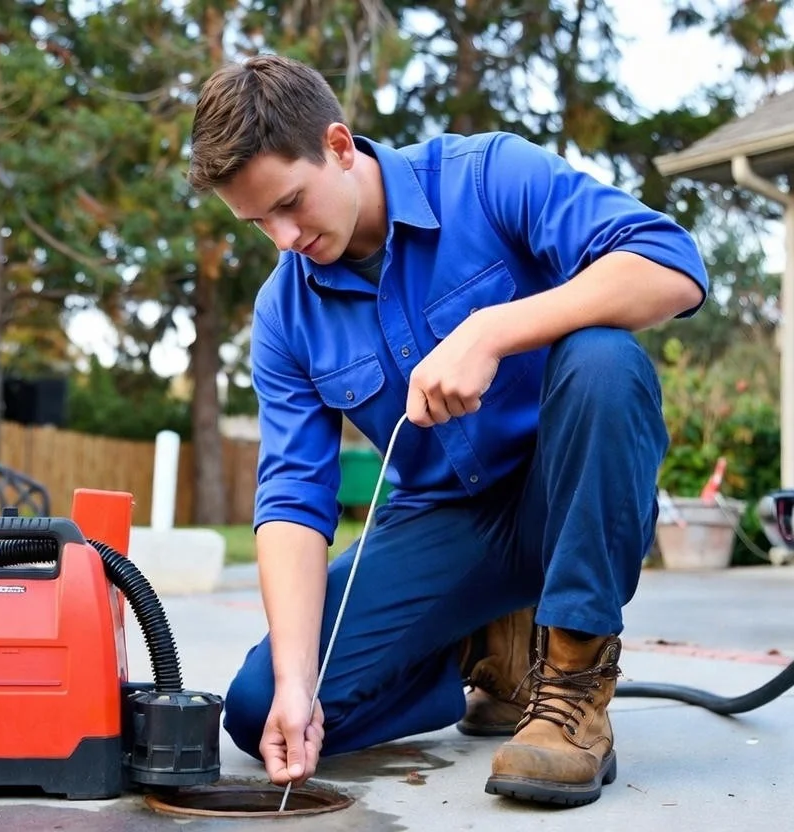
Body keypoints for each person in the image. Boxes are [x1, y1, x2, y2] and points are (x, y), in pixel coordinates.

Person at [186, 54, 707, 807]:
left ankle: (570, 691)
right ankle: (484, 648)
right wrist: (297, 683)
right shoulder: (283, 313)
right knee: (256, 705)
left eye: (291, 203)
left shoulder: (488, 175)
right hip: (441, 522)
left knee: (603, 359)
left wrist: (495, 329)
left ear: (338, 145)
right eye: (258, 220)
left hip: (563, 498)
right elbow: (293, 497)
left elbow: (671, 265)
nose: (283, 237)